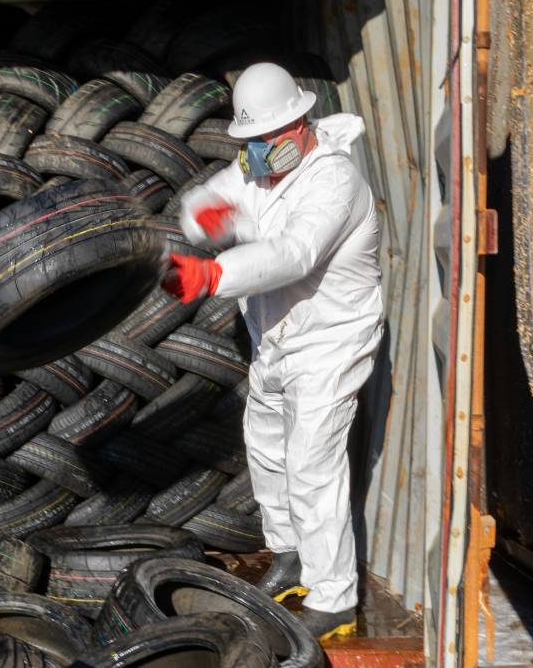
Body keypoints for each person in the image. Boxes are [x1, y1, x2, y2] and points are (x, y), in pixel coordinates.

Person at [161, 62, 384, 641]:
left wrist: (213, 274)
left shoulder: (334, 182)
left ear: (301, 123)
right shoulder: (256, 171)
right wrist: (203, 217)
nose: (259, 151)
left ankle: (333, 597)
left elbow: (295, 253)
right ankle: (288, 555)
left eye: (268, 138)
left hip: (331, 339)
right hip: (277, 337)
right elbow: (209, 196)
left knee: (312, 463)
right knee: (266, 450)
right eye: (251, 140)